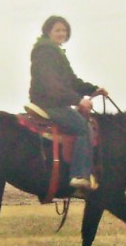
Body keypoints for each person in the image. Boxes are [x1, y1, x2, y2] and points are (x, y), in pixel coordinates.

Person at [28, 15, 107, 193]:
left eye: (64, 30)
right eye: (57, 30)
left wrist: (93, 89)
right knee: (83, 128)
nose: (61, 33)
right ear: (48, 31)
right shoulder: (46, 52)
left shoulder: (55, 51)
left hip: (54, 101)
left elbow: (72, 81)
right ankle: (79, 176)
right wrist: (78, 100)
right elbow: (52, 85)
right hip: (49, 103)